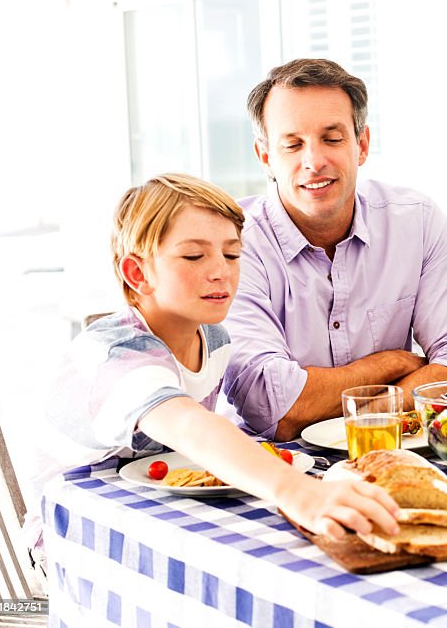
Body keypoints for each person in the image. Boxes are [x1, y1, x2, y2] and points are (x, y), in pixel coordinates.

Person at [25, 174, 400, 581]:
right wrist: (299, 492)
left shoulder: (214, 338)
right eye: (193, 257)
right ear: (137, 274)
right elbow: (188, 426)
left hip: (156, 511)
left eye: (232, 255)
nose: (221, 272)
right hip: (74, 539)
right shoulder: (115, 356)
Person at [223, 59, 447, 440]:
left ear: (361, 145)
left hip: (394, 447)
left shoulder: (416, 220)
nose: (313, 162)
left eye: (332, 139)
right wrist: (386, 365)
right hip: (270, 466)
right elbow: (273, 408)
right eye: (292, 144)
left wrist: (371, 412)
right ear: (266, 157)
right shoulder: (232, 243)